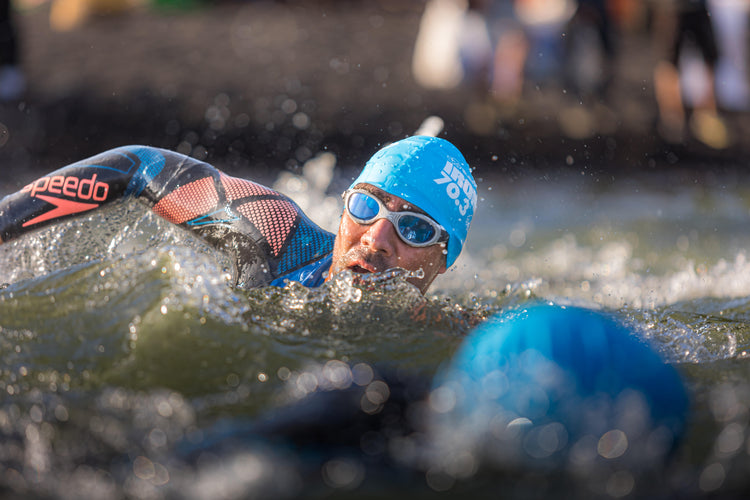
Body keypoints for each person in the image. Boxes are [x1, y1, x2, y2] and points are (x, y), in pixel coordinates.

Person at [0, 135, 477, 294]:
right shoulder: (274, 235)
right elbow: (137, 164)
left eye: (413, 228)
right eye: (366, 206)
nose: (374, 240)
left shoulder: (450, 342)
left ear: (445, 259)